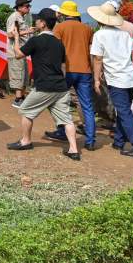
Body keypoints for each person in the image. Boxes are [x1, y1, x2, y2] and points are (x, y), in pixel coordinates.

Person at [7, 8, 81, 160]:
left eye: (38, 20)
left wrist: (15, 38)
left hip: (44, 86)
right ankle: (73, 150)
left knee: (26, 111)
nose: (36, 22)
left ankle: (26, 141)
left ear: (42, 23)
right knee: (67, 119)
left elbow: (18, 55)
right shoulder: (59, 43)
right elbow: (62, 65)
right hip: (60, 87)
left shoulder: (36, 40)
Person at [89, 1, 133, 158]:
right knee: (124, 111)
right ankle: (119, 140)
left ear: (99, 19)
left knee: (123, 112)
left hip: (117, 80)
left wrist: (96, 79)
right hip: (131, 78)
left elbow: (97, 59)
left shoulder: (99, 35)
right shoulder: (125, 35)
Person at [47, 0, 97, 150]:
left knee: (59, 102)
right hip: (85, 71)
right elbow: (92, 51)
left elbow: (54, 50)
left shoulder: (59, 28)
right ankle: (90, 140)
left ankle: (62, 131)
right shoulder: (88, 29)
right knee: (87, 105)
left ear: (64, 14)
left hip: (66, 69)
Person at [5, 0, 34, 108]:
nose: (29, 8)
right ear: (20, 7)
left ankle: (21, 97)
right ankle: (17, 99)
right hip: (15, 51)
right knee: (18, 74)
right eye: (27, 6)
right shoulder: (14, 17)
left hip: (22, 51)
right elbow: (10, 34)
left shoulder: (22, 17)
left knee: (23, 74)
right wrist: (27, 31)